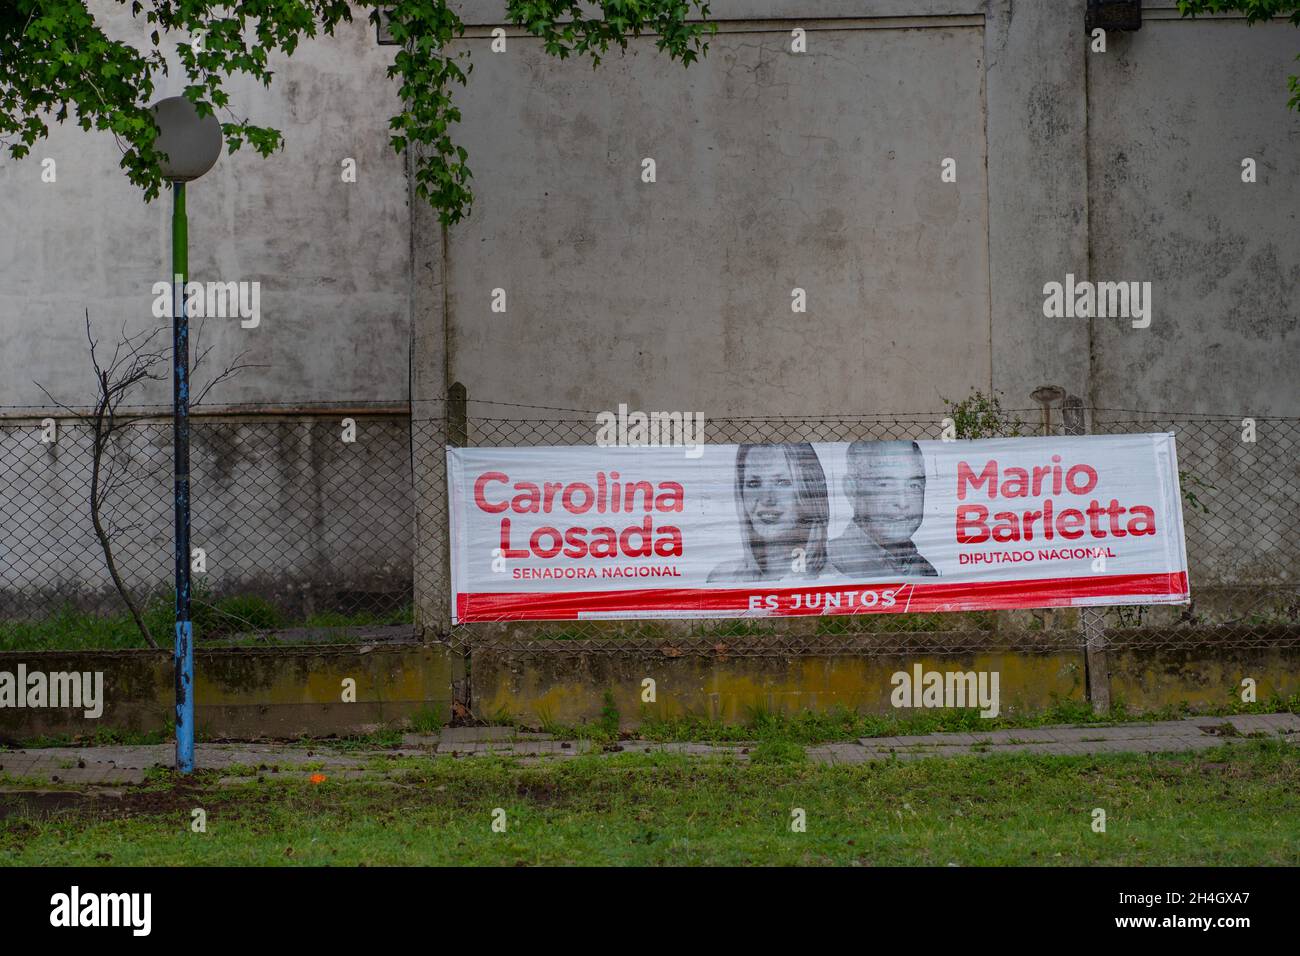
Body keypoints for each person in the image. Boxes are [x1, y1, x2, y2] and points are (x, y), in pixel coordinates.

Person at [708, 443, 830, 582]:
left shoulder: (837, 579)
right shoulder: (723, 579)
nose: (767, 499)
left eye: (782, 482)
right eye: (753, 483)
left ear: (809, 492)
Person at [829, 440, 937, 577]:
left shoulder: (926, 571)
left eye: (913, 486)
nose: (902, 502)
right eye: (884, 485)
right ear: (852, 490)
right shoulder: (830, 563)